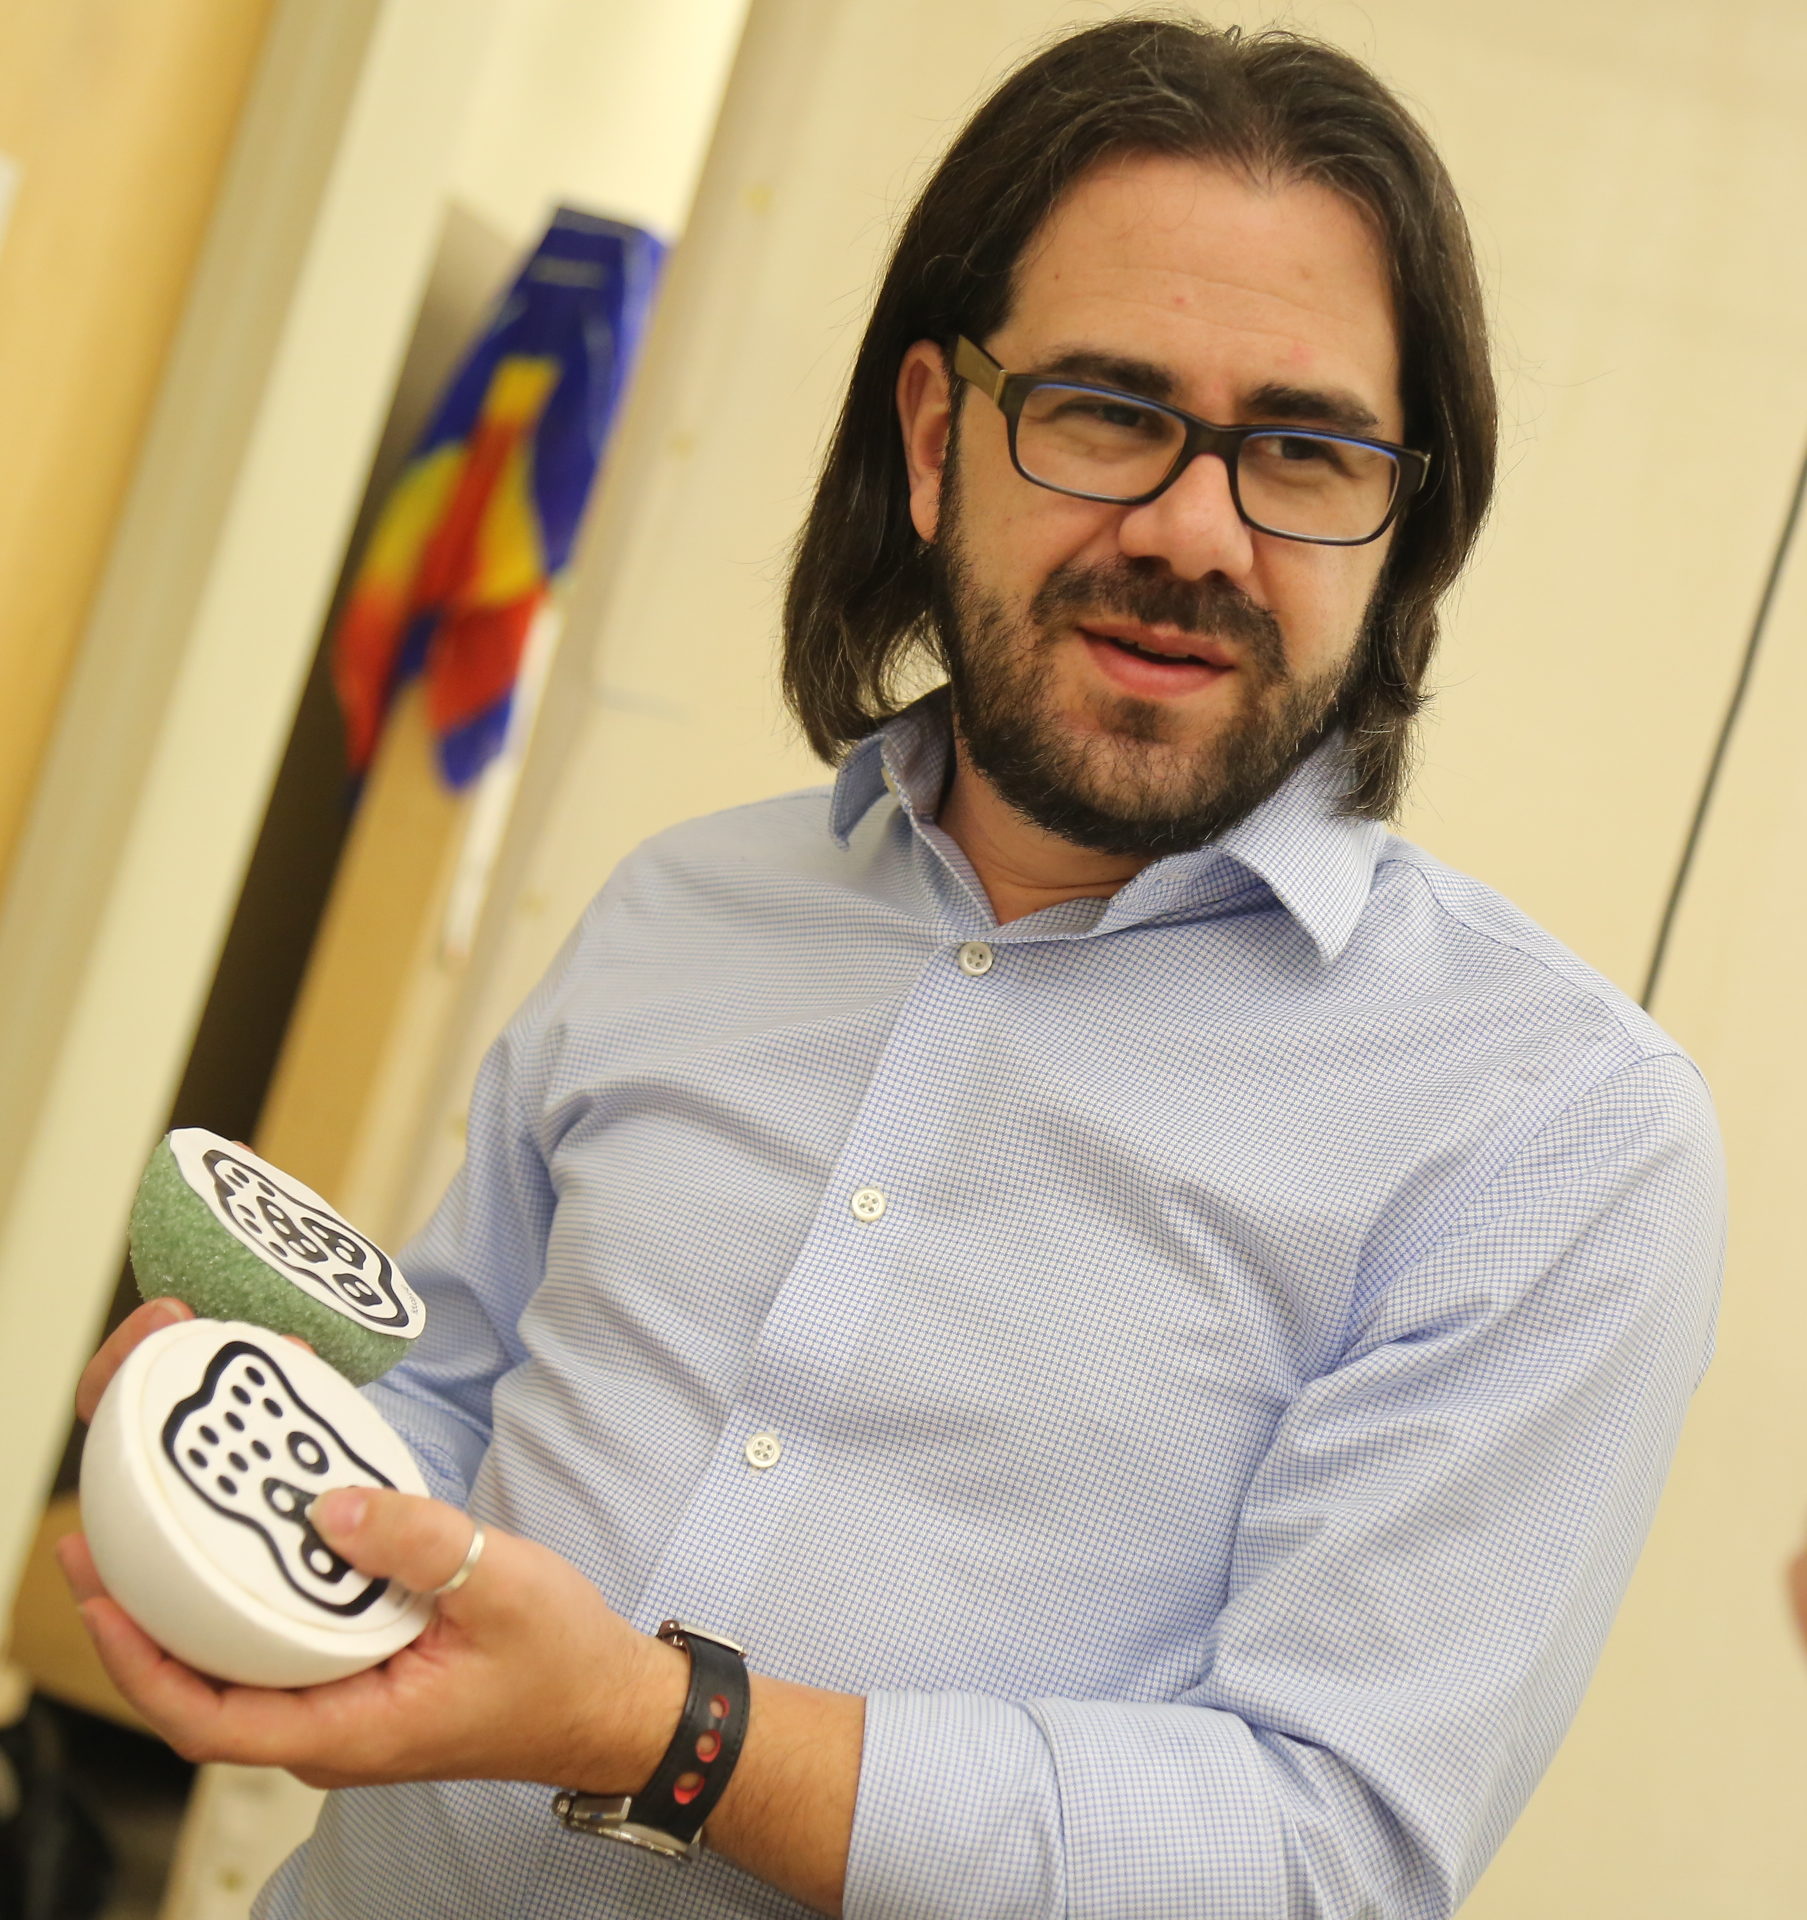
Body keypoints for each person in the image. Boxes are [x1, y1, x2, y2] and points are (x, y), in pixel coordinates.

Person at [64, 18, 1724, 1919]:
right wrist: (282, 1479)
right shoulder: (679, 911)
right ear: (938, 439)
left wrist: (664, 1730)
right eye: (1107, 410)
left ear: (1400, 516)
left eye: (1305, 447)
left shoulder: (1556, 1138)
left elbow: (1315, 1857)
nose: (1196, 531)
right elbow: (461, 1395)